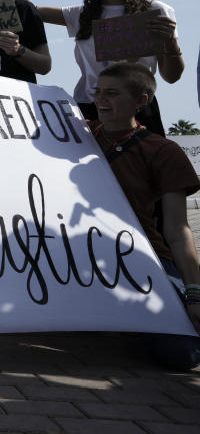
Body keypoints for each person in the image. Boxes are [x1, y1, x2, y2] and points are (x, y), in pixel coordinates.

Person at [89, 63, 200, 370]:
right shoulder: (77, 135)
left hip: (142, 256)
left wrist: (194, 293)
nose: (101, 100)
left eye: (112, 93)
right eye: (98, 92)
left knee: (181, 354)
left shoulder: (163, 150)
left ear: (141, 100)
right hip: (79, 255)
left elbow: (178, 230)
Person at [17, 0, 182, 135]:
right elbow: (25, 11)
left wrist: (170, 42)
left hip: (138, 108)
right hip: (89, 109)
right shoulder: (80, 14)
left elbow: (172, 76)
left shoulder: (154, 10)